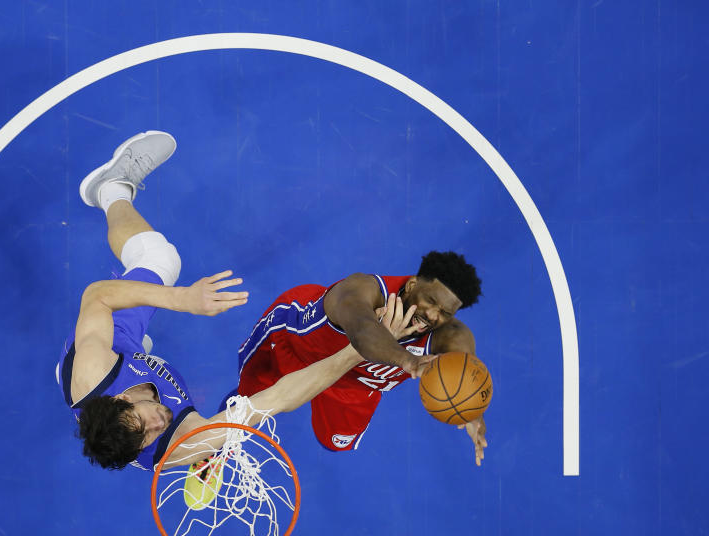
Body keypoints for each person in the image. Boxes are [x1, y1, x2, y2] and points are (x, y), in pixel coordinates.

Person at [58, 131, 405, 472]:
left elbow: (98, 296)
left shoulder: (94, 371)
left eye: (142, 422)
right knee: (211, 431)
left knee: (161, 259)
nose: (158, 424)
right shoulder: (182, 444)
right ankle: (146, 362)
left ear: (122, 399)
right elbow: (278, 398)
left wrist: (184, 299)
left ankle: (111, 187)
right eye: (147, 439)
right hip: (141, 372)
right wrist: (359, 349)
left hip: (113, 348)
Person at [236, 256, 488, 466]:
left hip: (353, 384)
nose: (433, 315)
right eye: (431, 301)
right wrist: (409, 361)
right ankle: (212, 456)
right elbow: (363, 333)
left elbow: (466, 372)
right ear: (412, 286)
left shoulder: (452, 336)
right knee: (242, 411)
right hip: (294, 346)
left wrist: (471, 409)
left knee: (334, 443)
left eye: (445, 313)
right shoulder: (361, 289)